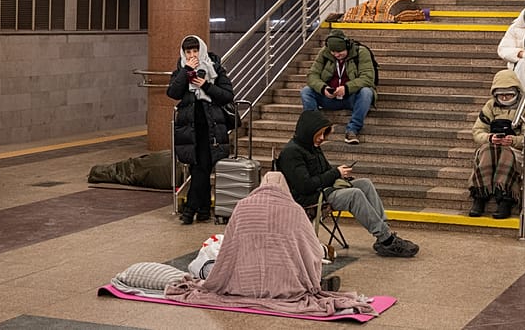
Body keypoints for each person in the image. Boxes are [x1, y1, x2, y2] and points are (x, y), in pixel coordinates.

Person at [164, 171, 376, 316]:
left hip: (242, 284)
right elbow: (313, 250)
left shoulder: (242, 206)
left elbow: (229, 247)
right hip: (288, 287)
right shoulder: (294, 210)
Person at [277, 109, 419, 258]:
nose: (321, 138)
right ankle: (387, 240)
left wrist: (340, 176)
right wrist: (336, 173)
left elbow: (325, 171)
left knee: (365, 184)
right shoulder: (291, 153)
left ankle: (385, 234)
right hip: (310, 198)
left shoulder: (312, 147)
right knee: (354, 195)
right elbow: (305, 186)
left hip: (324, 190)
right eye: (318, 134)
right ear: (308, 131)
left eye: (324, 134)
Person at [167, 35, 234, 225]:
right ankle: (203, 209)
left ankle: (190, 209)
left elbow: (227, 95)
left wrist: (206, 85)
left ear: (202, 50)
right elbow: (173, 93)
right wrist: (186, 70)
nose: (192, 55)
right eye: (188, 52)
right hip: (189, 127)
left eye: (195, 51)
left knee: (203, 166)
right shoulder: (181, 69)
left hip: (211, 126)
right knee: (197, 167)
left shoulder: (215, 68)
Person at [468, 69, 525, 219]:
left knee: (506, 154)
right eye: (502, 95)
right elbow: (477, 131)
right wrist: (490, 137)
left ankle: (505, 198)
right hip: (492, 145)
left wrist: (513, 140)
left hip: (514, 149)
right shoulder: (489, 106)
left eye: (509, 94)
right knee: (486, 150)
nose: (505, 97)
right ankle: (480, 195)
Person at [301, 29, 376, 145]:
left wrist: (347, 88)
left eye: (340, 52)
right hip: (330, 97)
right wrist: (323, 88)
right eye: (333, 52)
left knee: (366, 92)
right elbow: (312, 75)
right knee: (306, 91)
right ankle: (315, 127)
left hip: (351, 97)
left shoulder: (361, 52)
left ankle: (352, 130)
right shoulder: (325, 53)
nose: (336, 55)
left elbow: (367, 78)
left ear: (347, 47)